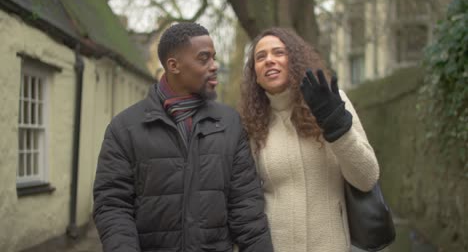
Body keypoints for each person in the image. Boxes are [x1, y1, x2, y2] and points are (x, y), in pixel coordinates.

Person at [93, 22, 273, 252]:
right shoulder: (124, 128)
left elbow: (246, 207)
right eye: (203, 58)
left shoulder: (229, 124)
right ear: (173, 65)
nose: (214, 66)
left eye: (214, 57)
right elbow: (112, 205)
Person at [239, 27, 380, 252]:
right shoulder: (253, 123)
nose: (269, 61)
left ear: (295, 60)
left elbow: (367, 178)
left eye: (278, 53)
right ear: (254, 72)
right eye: (260, 57)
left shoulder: (334, 102)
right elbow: (245, 198)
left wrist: (337, 129)